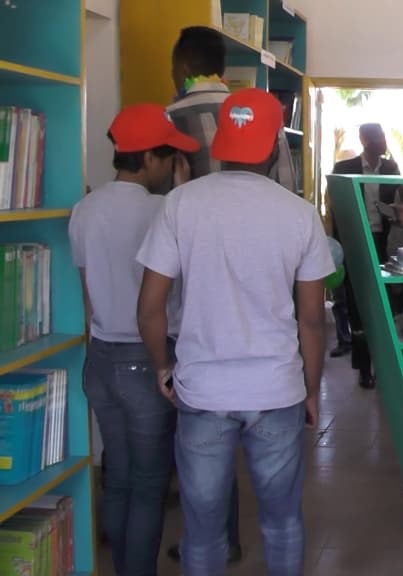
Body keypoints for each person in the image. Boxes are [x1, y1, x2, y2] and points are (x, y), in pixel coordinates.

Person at [136, 88, 334, 576]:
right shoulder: (299, 214)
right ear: (274, 147)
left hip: (203, 391)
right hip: (276, 389)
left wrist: (162, 365)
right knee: (282, 522)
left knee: (202, 533)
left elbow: (150, 307)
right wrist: (311, 390)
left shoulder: (181, 204)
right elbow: (312, 318)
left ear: (221, 142)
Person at [165, 25, 300, 562]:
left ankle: (218, 542)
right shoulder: (266, 118)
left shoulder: (171, 120)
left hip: (197, 318)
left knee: (203, 475)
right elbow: (288, 202)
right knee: (282, 515)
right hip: (267, 323)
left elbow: (160, 244)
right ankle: (235, 540)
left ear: (182, 65)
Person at [70, 103, 199, 576]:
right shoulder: (164, 209)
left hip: (100, 359)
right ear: (148, 157)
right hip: (147, 359)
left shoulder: (84, 209)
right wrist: (182, 193)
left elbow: (88, 294)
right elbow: (182, 285)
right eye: (169, 157)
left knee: (119, 477)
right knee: (148, 485)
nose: (171, 166)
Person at [167, 26, 297, 193]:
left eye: (173, 69)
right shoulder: (264, 116)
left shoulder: (168, 119)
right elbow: (287, 188)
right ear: (222, 68)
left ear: (184, 70)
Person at [329, 124, 401, 388]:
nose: (383, 141)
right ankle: (363, 368)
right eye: (377, 137)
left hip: (385, 242)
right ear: (364, 140)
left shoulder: (391, 168)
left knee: (385, 304)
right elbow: (336, 209)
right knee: (358, 304)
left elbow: (400, 201)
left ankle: (384, 364)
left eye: (383, 136)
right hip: (356, 241)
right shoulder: (344, 168)